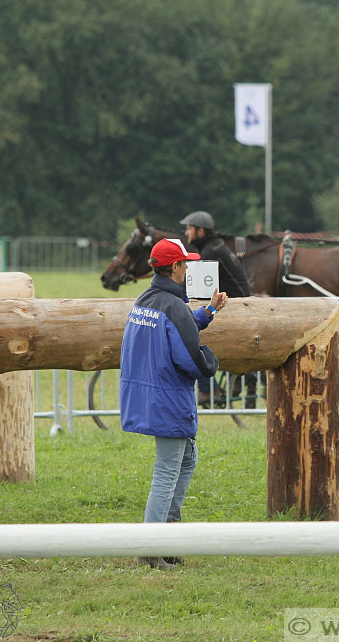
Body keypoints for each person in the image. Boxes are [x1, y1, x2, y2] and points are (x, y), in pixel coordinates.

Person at [119, 238, 228, 570]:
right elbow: (191, 357)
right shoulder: (173, 306)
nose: (187, 267)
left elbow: (178, 327)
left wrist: (208, 311)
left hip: (150, 395)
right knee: (167, 471)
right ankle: (151, 551)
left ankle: (169, 542)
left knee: (185, 462)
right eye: (185, 263)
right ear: (176, 267)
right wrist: (211, 361)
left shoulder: (148, 299)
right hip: (169, 398)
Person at [180, 211, 252, 298]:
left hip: (238, 304)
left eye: (189, 229)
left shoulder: (211, 251)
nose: (186, 233)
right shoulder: (215, 246)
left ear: (201, 231)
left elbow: (193, 285)